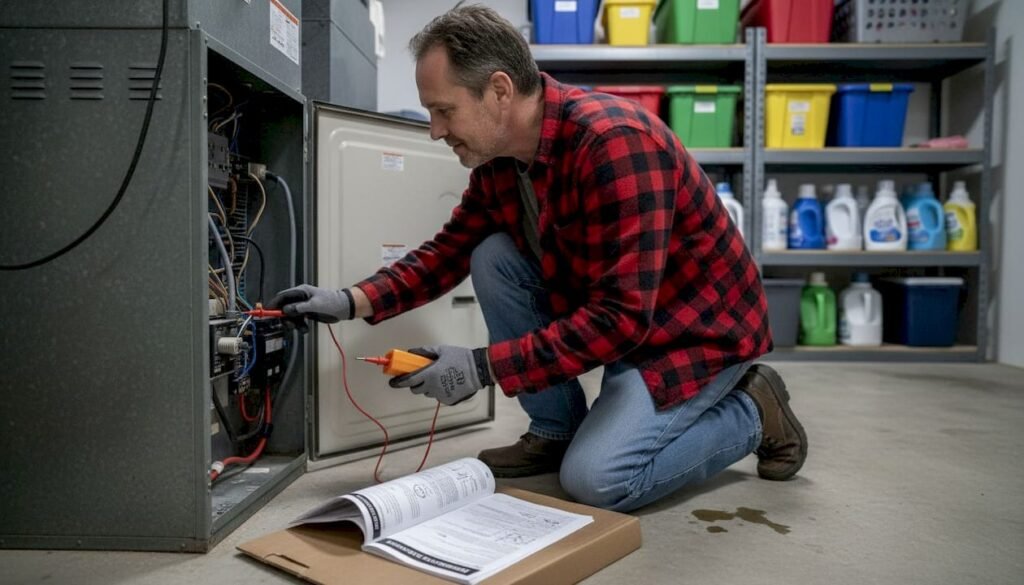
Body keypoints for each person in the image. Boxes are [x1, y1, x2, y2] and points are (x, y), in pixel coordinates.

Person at [270, 4, 807, 512]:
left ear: (499, 91)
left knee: (598, 479)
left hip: (690, 335)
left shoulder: (614, 143)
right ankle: (555, 431)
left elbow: (619, 319)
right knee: (491, 254)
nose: (434, 130)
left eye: (444, 110)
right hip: (629, 322)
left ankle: (755, 409)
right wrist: (350, 301)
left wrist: (481, 367)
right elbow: (450, 250)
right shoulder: (500, 161)